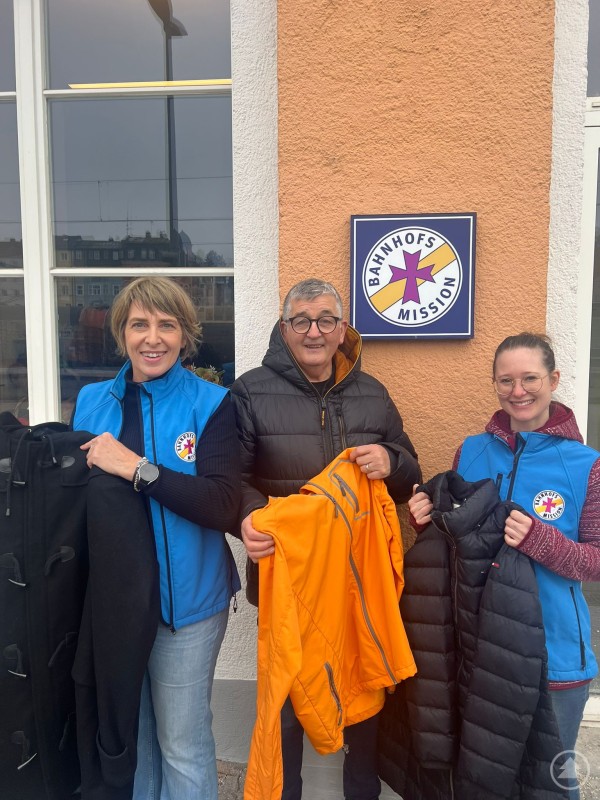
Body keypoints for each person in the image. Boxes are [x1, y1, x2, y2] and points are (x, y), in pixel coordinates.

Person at [231, 277, 421, 800]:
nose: (313, 331)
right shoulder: (249, 390)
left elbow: (410, 477)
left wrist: (392, 462)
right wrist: (247, 517)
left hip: (359, 583)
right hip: (288, 580)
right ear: (285, 329)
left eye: (325, 320)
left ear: (342, 330)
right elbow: (230, 478)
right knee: (289, 707)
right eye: (301, 321)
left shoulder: (373, 394)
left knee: (365, 708)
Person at [409, 332, 600, 800]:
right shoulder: (470, 450)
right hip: (479, 650)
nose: (519, 391)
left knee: (550, 785)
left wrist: (540, 540)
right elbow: (458, 542)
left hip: (553, 656)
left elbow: (595, 562)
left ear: (553, 379)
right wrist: (427, 525)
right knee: (482, 781)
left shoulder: (587, 465)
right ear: (494, 384)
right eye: (506, 380)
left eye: (530, 378)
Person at [72, 277, 241, 800]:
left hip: (184, 608)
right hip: (113, 607)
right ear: (122, 333)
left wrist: (138, 469)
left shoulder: (212, 403)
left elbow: (221, 504)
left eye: (167, 325)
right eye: (139, 324)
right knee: (133, 742)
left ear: (185, 334)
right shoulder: (91, 402)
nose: (153, 338)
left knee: (182, 746)